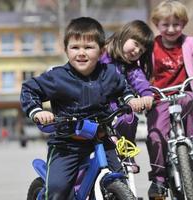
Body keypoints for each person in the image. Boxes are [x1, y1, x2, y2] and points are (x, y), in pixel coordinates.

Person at [20, 17, 138, 200]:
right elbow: (29, 89)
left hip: (101, 138)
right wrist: (37, 111)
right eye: (75, 47)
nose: (81, 53)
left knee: (119, 177)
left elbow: (123, 88)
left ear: (101, 50)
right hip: (67, 144)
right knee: (58, 189)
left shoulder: (109, 74)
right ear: (66, 49)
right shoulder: (57, 77)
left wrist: (131, 100)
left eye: (89, 47)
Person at [146, 0, 193, 198]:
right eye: (165, 24)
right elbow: (137, 67)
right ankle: (158, 179)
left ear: (184, 24)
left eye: (176, 24)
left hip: (183, 92)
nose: (171, 29)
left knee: (190, 100)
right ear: (157, 24)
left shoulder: (188, 42)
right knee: (155, 136)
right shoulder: (151, 45)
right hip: (159, 98)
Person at [100, 20, 155, 173]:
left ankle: (126, 152)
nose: (137, 51)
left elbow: (139, 81)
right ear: (124, 35)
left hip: (117, 107)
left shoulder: (130, 66)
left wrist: (146, 95)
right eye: (136, 44)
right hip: (96, 106)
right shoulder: (100, 54)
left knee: (129, 118)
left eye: (142, 50)